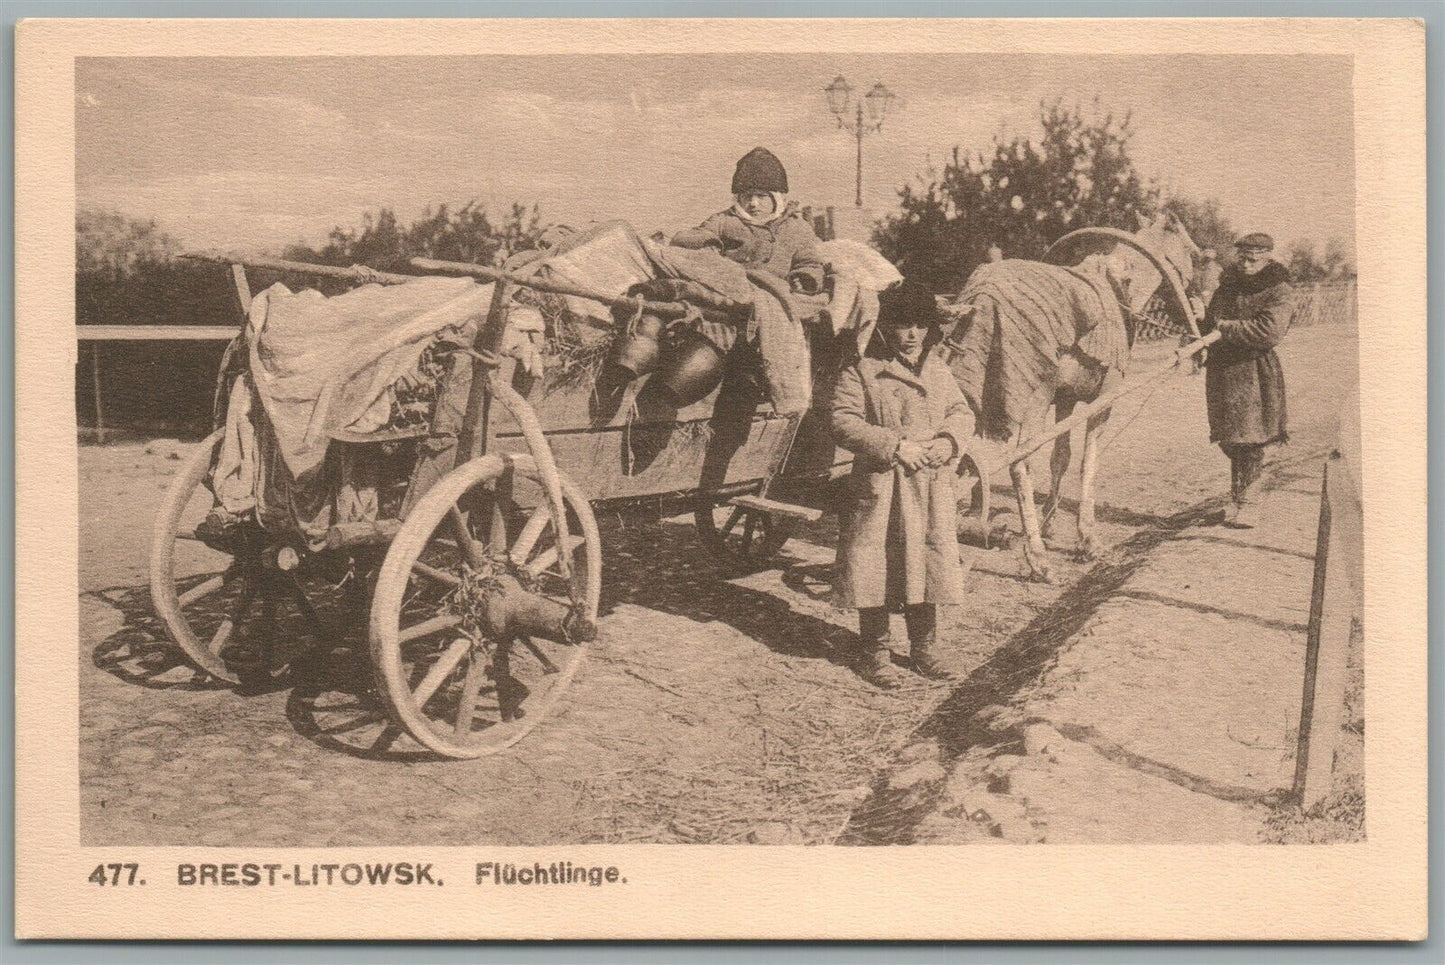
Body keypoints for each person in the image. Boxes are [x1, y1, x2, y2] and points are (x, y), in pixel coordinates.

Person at [829, 280, 974, 688]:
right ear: (885, 327)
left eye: (920, 325)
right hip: (882, 485)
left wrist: (948, 442)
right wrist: (894, 445)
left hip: (928, 485)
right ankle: (874, 653)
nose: (912, 335)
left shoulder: (937, 369)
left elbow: (961, 411)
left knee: (925, 562)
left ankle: (924, 650)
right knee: (875, 565)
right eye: (903, 325)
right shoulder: (862, 369)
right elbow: (841, 419)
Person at [1199, 232, 1294, 528]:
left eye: (1253, 259)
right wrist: (1199, 316)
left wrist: (1224, 328)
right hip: (1223, 371)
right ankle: (1237, 501)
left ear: (1267, 258)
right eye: (1242, 258)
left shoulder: (1278, 289)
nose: (1246, 264)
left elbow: (1269, 331)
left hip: (1254, 372)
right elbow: (1210, 321)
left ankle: (1249, 505)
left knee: (1250, 440)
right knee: (1230, 440)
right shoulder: (1228, 285)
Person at [670, 147, 825, 294]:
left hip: (774, 291)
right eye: (747, 196)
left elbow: (810, 262)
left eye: (762, 196)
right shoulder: (725, 220)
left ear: (777, 199)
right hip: (730, 287)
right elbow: (693, 236)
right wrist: (706, 246)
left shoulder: (796, 227)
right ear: (738, 199)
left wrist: (805, 277)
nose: (753, 203)